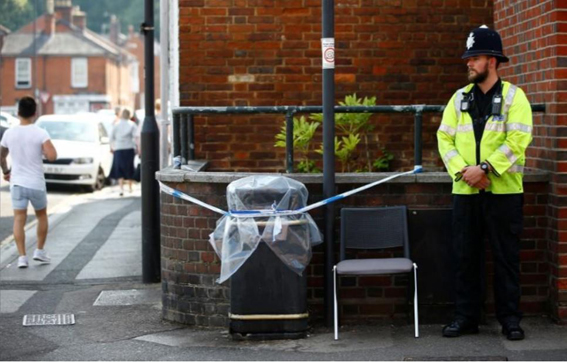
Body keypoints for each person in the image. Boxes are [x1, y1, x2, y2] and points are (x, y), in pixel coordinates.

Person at [437, 25, 533, 341]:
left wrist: (486, 169)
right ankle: (466, 317)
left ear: (492, 60)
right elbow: (444, 137)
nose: (469, 63)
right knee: (465, 256)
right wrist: (465, 172)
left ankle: (510, 320)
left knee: (507, 259)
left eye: (474, 58)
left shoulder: (514, 98)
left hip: (504, 191)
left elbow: (518, 139)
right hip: (465, 189)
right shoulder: (458, 98)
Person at [0, 96, 57, 268]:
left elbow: (1, 156)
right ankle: (39, 251)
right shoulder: (40, 133)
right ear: (34, 113)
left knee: (19, 219)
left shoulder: (9, 133)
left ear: (18, 113)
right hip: (36, 184)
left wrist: (6, 171)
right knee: (41, 216)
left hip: (17, 183)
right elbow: (53, 156)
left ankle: (22, 257)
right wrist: (44, 152)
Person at [110, 108, 138, 196]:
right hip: (129, 148)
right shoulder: (132, 124)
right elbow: (136, 137)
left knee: (119, 168)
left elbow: (111, 137)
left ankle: (121, 189)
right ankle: (130, 188)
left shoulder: (116, 124)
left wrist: (111, 147)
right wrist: (137, 147)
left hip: (118, 148)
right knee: (129, 167)